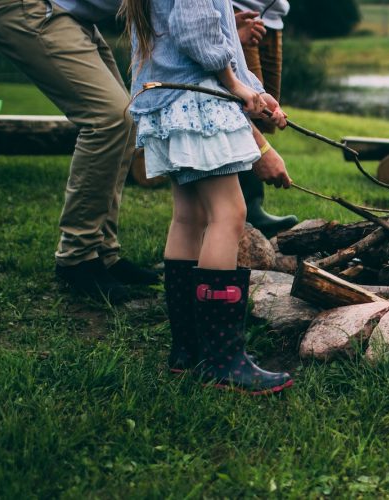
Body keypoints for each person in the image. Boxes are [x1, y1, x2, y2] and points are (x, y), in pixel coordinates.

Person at [123, 0, 294, 394]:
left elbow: (222, 38)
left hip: (172, 103)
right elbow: (197, 31)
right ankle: (222, 360)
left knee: (190, 217)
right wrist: (236, 88)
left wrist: (257, 93)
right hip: (197, 102)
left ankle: (189, 351)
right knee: (228, 214)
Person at [0, 0, 161, 304]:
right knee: (109, 118)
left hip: (71, 11)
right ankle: (78, 255)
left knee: (125, 117)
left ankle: (103, 250)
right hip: (32, 5)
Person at [232, 0, 299, 238]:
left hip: (272, 15)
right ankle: (245, 206)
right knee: (242, 103)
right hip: (238, 9)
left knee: (263, 111)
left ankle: (250, 204)